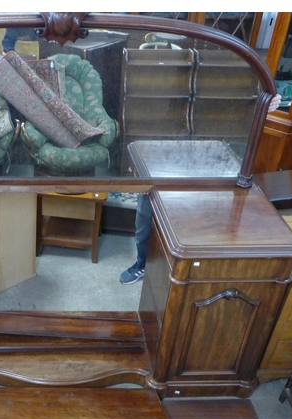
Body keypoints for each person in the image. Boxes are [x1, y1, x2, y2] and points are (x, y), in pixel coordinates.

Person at [120, 93, 283, 285]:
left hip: (211, 153)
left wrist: (265, 103)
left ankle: (180, 270)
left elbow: (250, 98)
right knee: (146, 219)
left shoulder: (234, 76)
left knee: (199, 223)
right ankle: (142, 263)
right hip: (160, 149)